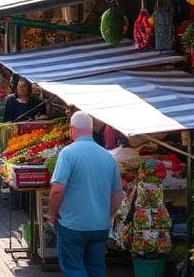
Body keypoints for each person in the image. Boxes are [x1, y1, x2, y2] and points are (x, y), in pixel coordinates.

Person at [46, 112, 123, 277]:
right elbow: (118, 194)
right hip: (100, 226)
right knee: (96, 269)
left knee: (74, 269)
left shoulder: (68, 154)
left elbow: (57, 189)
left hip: (73, 225)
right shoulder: (109, 157)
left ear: (72, 129)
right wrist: (106, 214)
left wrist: (52, 213)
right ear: (92, 128)